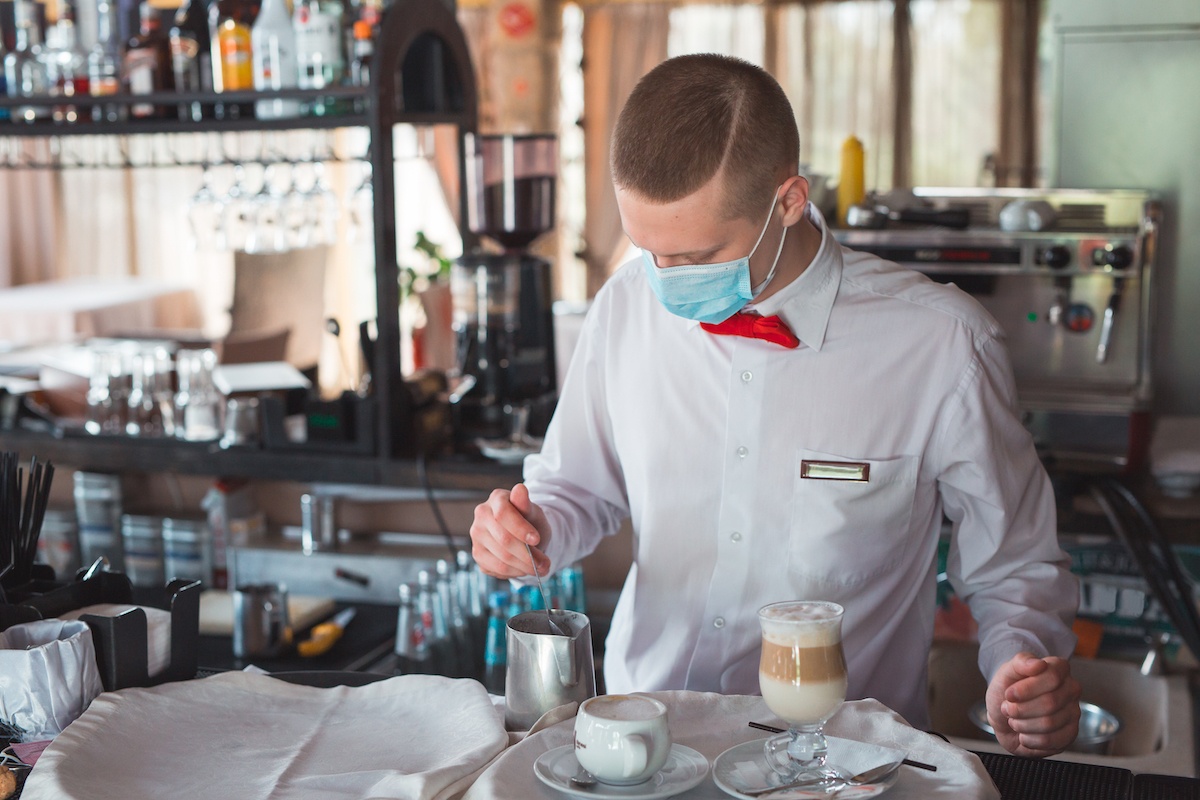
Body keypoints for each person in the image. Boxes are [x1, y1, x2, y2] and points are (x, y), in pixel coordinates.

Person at [470, 53, 1081, 757]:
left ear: (788, 200)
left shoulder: (941, 345)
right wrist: (529, 530)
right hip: (642, 748)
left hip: (839, 763)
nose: (664, 282)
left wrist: (1020, 668)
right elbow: (577, 490)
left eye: (697, 255)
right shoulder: (625, 308)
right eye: (647, 250)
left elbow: (1014, 564)